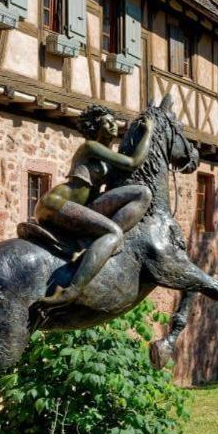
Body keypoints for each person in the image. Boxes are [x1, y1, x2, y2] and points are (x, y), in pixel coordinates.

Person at [35, 105, 154, 307]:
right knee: (113, 233)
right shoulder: (89, 147)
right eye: (106, 122)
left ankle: (102, 243)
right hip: (57, 203)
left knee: (143, 193)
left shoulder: (106, 154)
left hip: (84, 206)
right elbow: (133, 162)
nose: (112, 125)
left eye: (113, 121)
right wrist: (149, 132)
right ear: (95, 127)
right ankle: (71, 291)